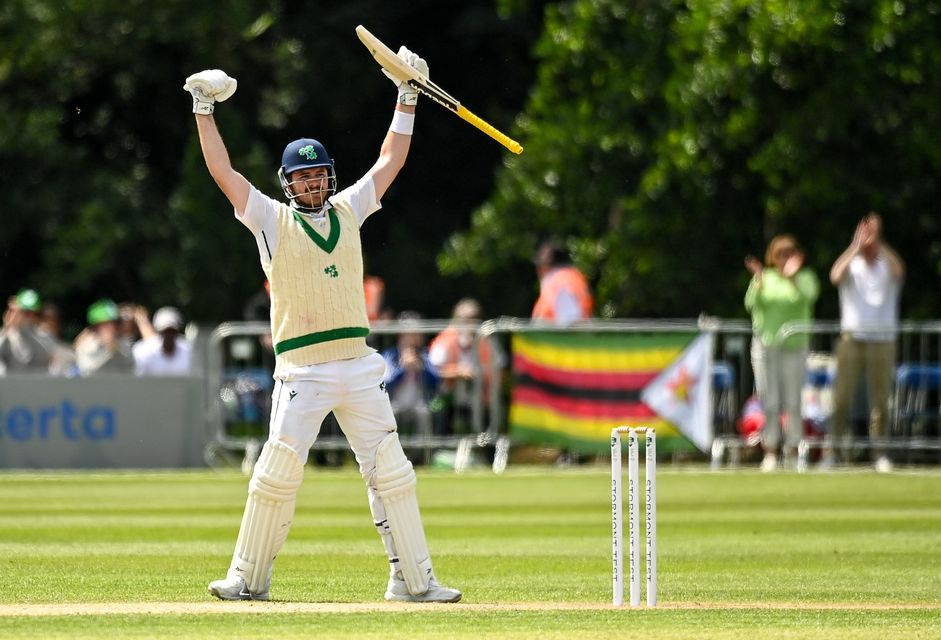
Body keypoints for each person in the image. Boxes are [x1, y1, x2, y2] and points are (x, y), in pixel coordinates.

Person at [185, 53, 460, 603]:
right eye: (303, 177)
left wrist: (407, 97)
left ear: (328, 175)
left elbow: (390, 161)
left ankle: (413, 581)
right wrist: (203, 110)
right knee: (277, 472)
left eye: (318, 175)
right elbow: (223, 173)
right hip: (302, 370)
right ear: (288, 182)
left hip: (357, 364)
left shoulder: (350, 208)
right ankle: (248, 579)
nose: (312, 184)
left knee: (392, 472)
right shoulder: (269, 218)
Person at [824, 213, 904, 473]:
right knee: (841, 398)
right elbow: (835, 276)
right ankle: (833, 452)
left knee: (880, 401)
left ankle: (880, 452)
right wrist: (855, 246)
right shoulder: (852, 263)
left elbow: (899, 272)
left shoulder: (886, 262)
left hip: (882, 340)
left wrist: (878, 242)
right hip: (852, 338)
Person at [744, 235, 820, 471]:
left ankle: (794, 450)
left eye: (790, 252)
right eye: (780, 253)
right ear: (772, 256)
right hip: (766, 346)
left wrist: (793, 278)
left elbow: (807, 297)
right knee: (770, 399)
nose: (785, 257)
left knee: (793, 400)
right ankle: (770, 450)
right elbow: (751, 304)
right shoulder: (765, 278)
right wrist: (758, 281)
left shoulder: (806, 277)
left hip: (795, 346)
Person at [428, 298, 502, 435]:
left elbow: (498, 370)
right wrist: (458, 372)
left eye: (474, 318)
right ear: (456, 319)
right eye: (465, 318)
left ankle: (487, 453)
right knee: (442, 418)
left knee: (487, 423)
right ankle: (441, 450)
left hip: (480, 397)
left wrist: (478, 374)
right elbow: (433, 370)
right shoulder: (445, 339)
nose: (469, 322)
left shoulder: (487, 340)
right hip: (448, 397)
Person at [381, 311, 440, 437]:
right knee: (391, 414)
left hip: (419, 404)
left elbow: (436, 382)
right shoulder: (391, 355)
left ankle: (420, 455)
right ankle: (389, 454)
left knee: (424, 414)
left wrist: (421, 368)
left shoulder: (424, 355)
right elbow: (384, 384)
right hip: (394, 403)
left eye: (418, 333)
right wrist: (403, 369)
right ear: (401, 334)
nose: (417, 337)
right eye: (412, 333)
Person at [531, 241, 593, 325]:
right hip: (578, 333)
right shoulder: (574, 276)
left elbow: (569, 318)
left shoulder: (557, 281)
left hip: (559, 335)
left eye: (539, 266)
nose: (538, 271)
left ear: (545, 267)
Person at [73, 299, 135, 375]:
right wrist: (109, 351)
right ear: (96, 328)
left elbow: (131, 368)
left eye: (114, 324)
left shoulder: (122, 344)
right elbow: (88, 371)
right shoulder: (86, 346)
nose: (112, 328)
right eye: (106, 325)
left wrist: (116, 349)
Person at [0, 289, 53, 374]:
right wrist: (8, 327)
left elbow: (27, 357)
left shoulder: (45, 336)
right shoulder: (6, 335)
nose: (28, 317)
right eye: (25, 312)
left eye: (33, 313)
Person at [133, 306, 193, 376]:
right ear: (158, 332)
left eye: (172, 331)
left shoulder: (189, 351)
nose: (168, 335)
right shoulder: (143, 351)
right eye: (164, 331)